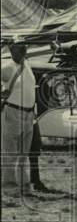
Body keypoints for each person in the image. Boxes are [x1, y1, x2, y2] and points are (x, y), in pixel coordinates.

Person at [1, 39, 36, 196]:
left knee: (24, 154)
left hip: (29, 113)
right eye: (18, 46)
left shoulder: (26, 63)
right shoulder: (7, 68)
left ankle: (24, 186)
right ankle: (10, 187)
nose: (23, 49)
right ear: (10, 48)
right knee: (10, 153)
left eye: (23, 46)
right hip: (14, 112)